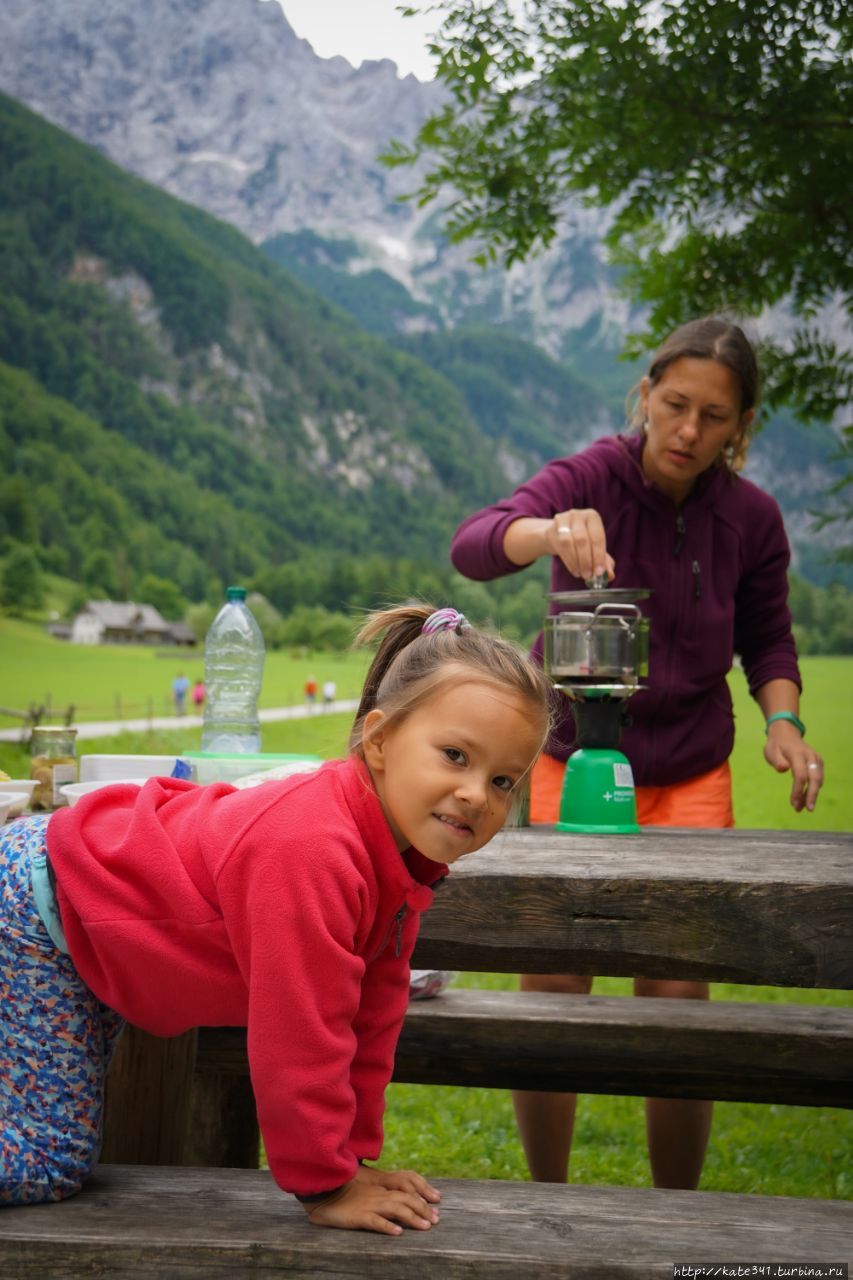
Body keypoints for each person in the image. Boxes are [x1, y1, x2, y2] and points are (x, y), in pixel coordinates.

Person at [0, 604, 551, 1234]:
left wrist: (351, 1160)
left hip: (84, 925)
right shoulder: (314, 849)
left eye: (504, 779)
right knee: (46, 1157)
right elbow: (300, 1033)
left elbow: (370, 1017)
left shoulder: (399, 864)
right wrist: (324, 1184)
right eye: (455, 755)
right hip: (39, 912)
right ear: (378, 741)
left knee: (52, 1130)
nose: (479, 794)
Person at [450, 316, 824, 1192]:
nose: (689, 430)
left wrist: (784, 722)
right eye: (675, 403)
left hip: (692, 770)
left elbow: (769, 640)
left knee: (676, 1000)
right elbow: (474, 544)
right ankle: (547, 1197)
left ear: (741, 426)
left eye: (715, 416)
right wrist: (545, 534)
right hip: (571, 752)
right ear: (645, 394)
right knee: (551, 980)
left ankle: (679, 1212)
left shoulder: (752, 519)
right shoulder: (590, 478)